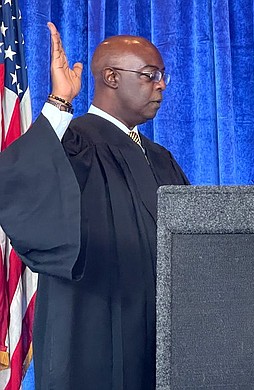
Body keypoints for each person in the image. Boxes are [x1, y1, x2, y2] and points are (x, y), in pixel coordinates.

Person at [0, 23, 189, 389]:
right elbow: (18, 185)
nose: (161, 85)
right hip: (90, 330)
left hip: (156, 335)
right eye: (151, 75)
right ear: (112, 77)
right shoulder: (72, 141)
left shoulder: (159, 157)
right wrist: (59, 103)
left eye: (162, 76)